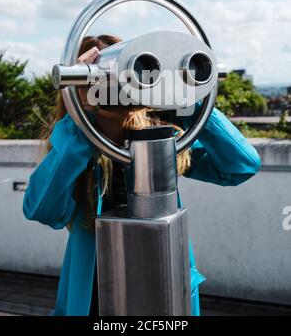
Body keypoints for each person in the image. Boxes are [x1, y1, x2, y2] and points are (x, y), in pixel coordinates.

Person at [23, 34, 262, 317]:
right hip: (96, 296)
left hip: (165, 288)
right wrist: (80, 126)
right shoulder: (73, 148)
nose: (119, 85)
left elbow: (241, 166)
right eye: (103, 77)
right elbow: (42, 209)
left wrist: (192, 103)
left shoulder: (159, 135)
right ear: (80, 84)